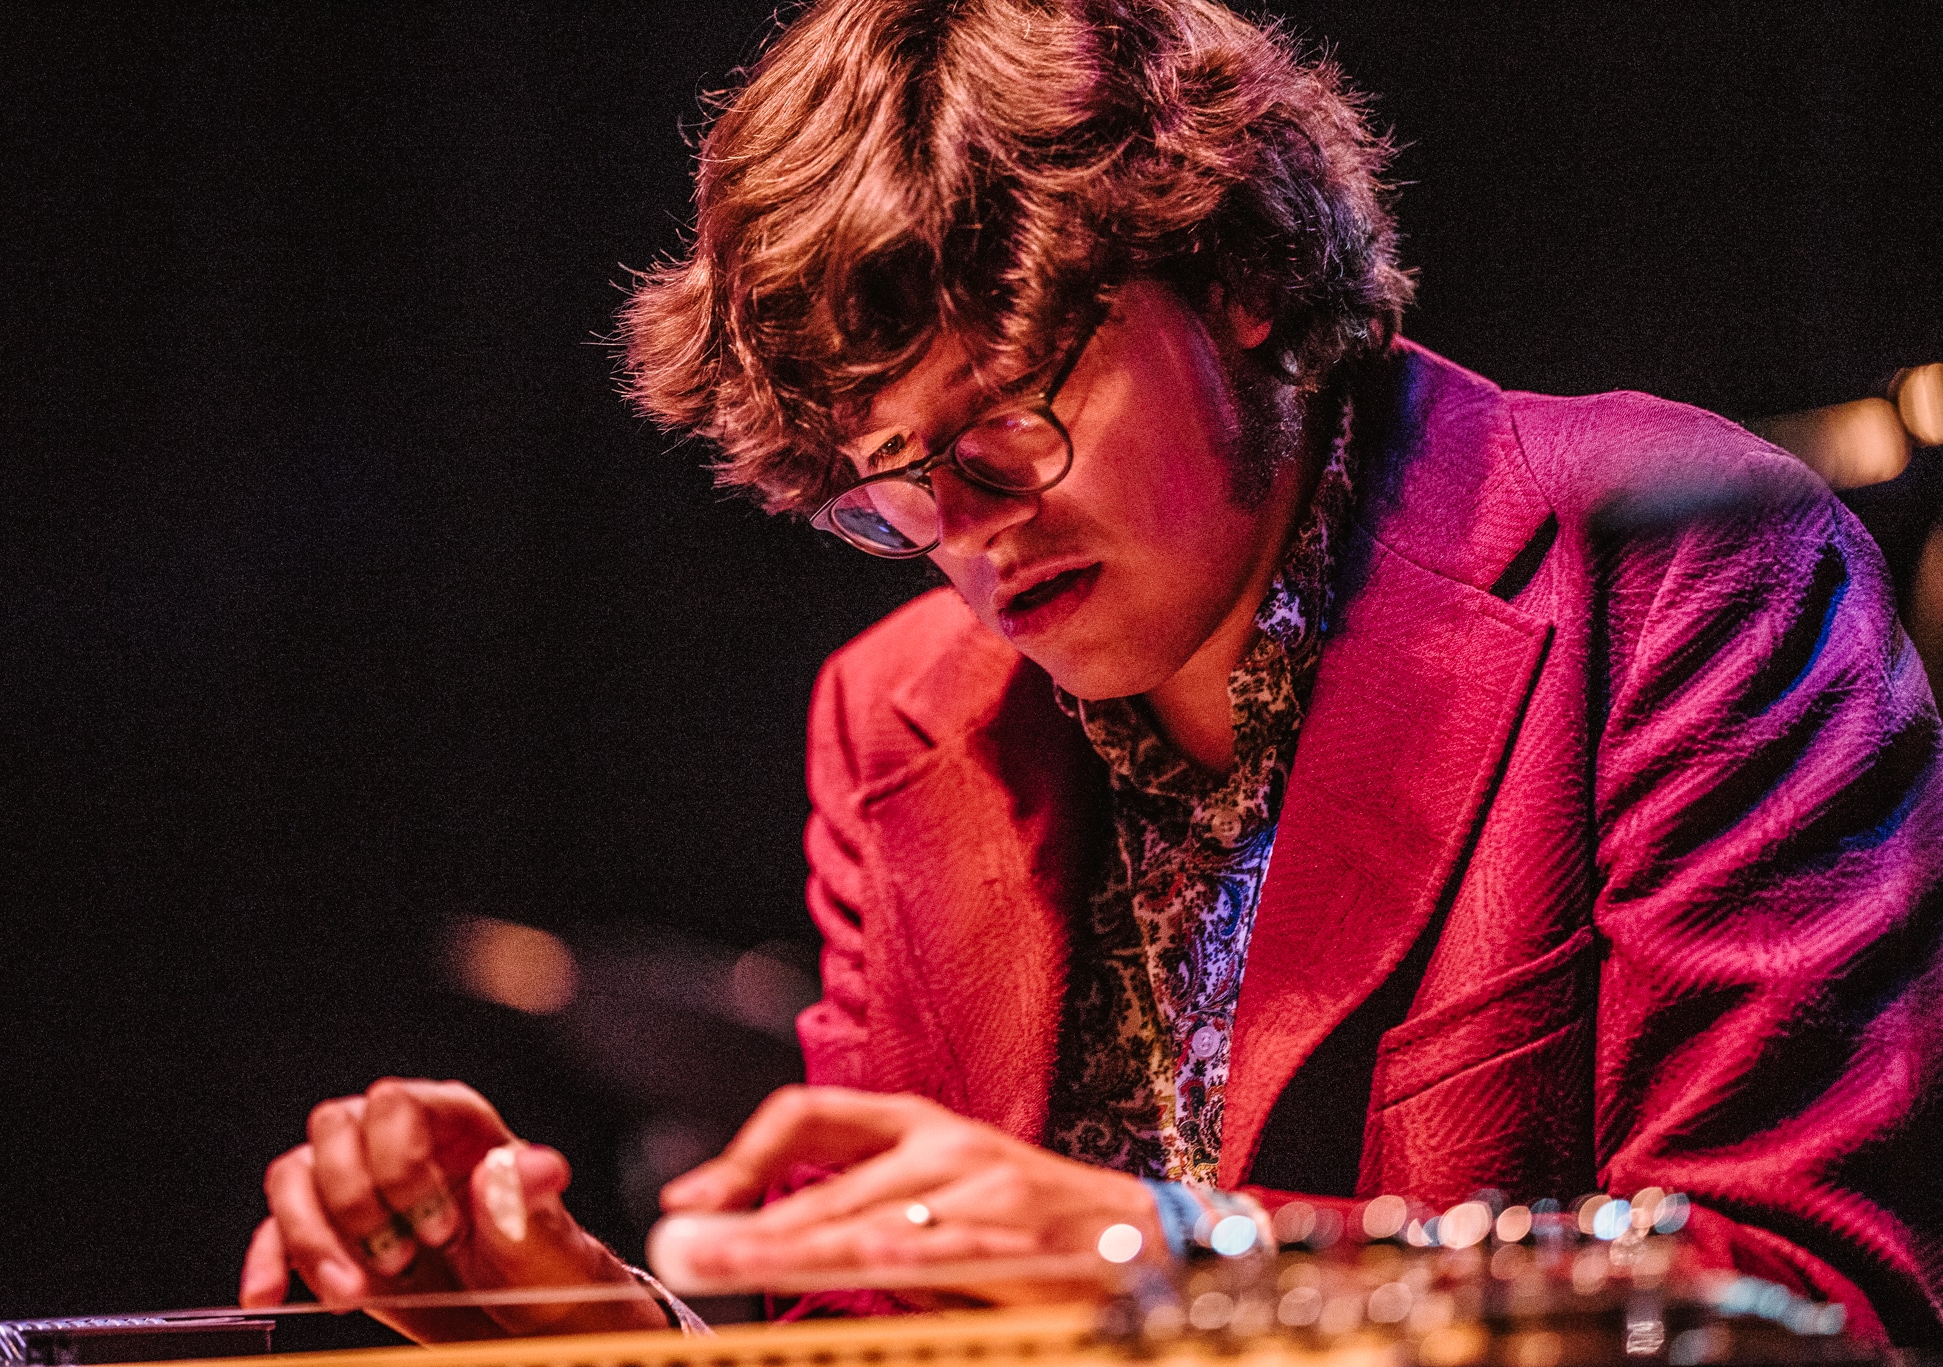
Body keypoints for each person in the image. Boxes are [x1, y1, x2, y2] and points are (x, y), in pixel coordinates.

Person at [238, 0, 1943, 1347]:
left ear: (1244, 278)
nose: (964, 535)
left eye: (1006, 423)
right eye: (889, 483)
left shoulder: (1669, 574)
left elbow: (1812, 1305)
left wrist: (1171, 1260)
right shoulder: (894, 718)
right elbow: (891, 1347)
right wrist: (593, 1331)